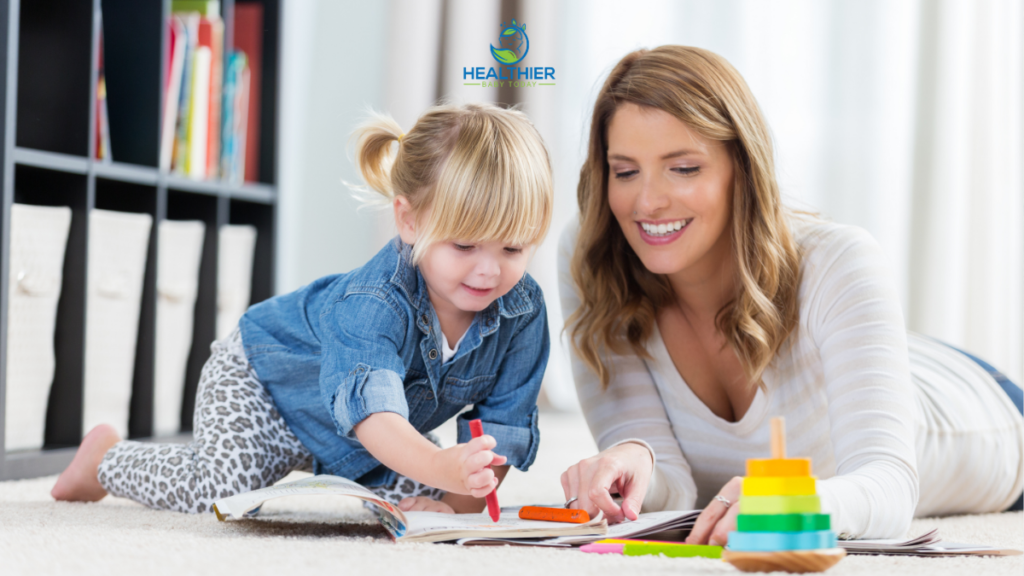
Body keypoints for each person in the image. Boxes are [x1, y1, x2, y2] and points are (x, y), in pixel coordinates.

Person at [557, 45, 1024, 542]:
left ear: (743, 167)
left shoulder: (839, 259)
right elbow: (675, 490)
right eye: (625, 171)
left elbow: (890, 490)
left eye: (684, 168)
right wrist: (632, 459)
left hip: (979, 404)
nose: (646, 201)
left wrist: (792, 500)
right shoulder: (595, 255)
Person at [51, 102, 554, 515]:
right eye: (464, 246)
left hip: (360, 440)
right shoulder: (373, 302)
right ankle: (105, 460)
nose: (489, 272)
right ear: (410, 220)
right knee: (221, 493)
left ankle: (353, 477)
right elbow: (375, 415)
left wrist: (453, 499)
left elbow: (502, 429)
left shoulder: (523, 311)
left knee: (404, 505)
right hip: (265, 385)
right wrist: (441, 467)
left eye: (513, 249)